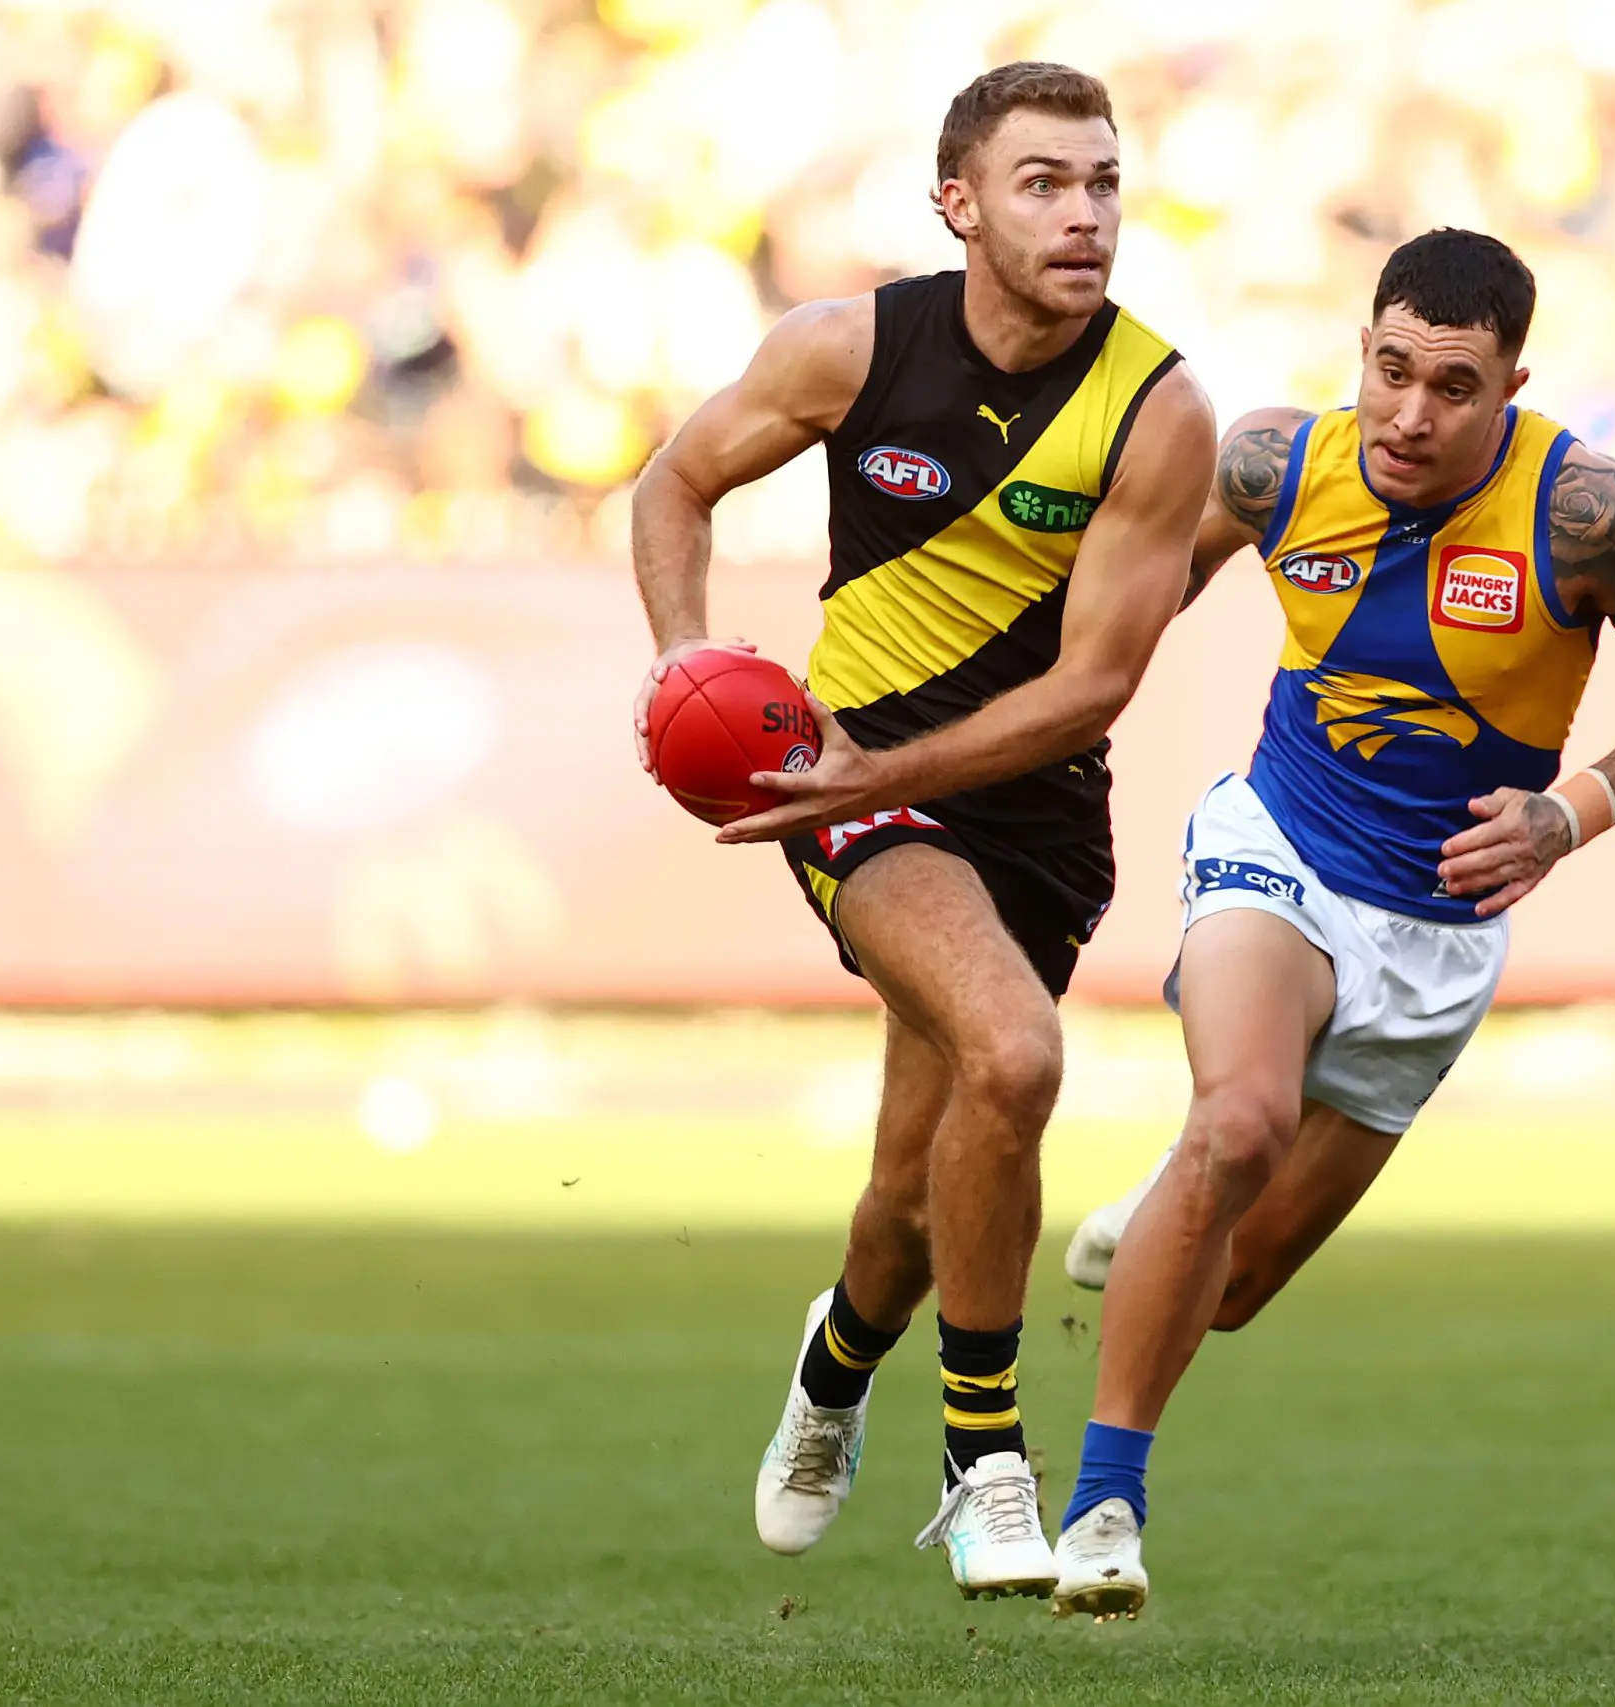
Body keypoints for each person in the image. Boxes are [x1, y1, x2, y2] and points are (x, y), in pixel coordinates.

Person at [1046, 228, 1615, 1618]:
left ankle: (1169, 1201)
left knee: (1228, 1288)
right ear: (1361, 347)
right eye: (1390, 370)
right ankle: (1103, 1506)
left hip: (1440, 932)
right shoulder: (1271, 464)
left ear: (1514, 386)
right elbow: (1127, 605)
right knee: (1238, 1122)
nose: (1410, 415)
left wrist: (1572, 812)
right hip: (1280, 848)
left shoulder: (1588, 516)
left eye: (1454, 385)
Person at [627, 61, 1214, 1601]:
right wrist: (689, 665)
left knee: (910, 1187)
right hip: (861, 792)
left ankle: (833, 1367)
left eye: (1102, 183)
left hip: (1037, 823)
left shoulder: (1158, 412)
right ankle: (985, 1457)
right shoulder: (846, 349)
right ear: (957, 204)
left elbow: (1093, 689)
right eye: (1043, 183)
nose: (1083, 214)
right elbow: (675, 482)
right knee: (1018, 1056)